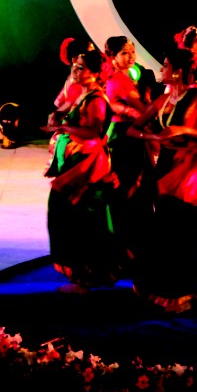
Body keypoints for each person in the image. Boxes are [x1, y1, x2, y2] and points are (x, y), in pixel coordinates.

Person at [126, 46, 197, 312]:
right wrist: (154, 137)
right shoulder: (163, 101)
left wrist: (183, 129)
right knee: (166, 229)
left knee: (183, 227)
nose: (161, 69)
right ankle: (166, 287)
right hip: (167, 167)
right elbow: (133, 129)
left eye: (165, 65)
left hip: (193, 170)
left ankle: (185, 291)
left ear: (177, 72)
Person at [43, 49, 123, 294]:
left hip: (89, 166)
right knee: (71, 216)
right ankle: (83, 275)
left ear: (95, 73)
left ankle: (87, 278)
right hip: (77, 161)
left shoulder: (97, 99)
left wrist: (63, 127)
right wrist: (57, 117)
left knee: (81, 220)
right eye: (74, 66)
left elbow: (94, 133)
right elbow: (64, 112)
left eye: (81, 68)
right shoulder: (81, 94)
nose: (74, 71)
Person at [104, 35, 158, 273]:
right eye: (124, 53)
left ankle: (133, 248)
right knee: (131, 191)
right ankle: (131, 250)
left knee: (136, 191)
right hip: (126, 138)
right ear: (113, 57)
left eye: (132, 51)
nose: (130, 56)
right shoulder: (119, 79)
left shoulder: (128, 77)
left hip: (129, 135)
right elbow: (142, 110)